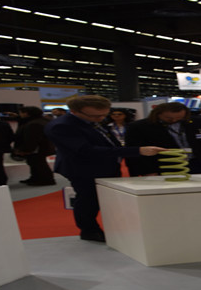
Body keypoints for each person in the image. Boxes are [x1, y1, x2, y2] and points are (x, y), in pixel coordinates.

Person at [44, 95, 166, 242]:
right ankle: (89, 230)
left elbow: (107, 142)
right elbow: (86, 150)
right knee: (88, 200)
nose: (101, 118)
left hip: (107, 165)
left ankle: (113, 228)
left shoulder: (93, 120)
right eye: (95, 116)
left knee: (108, 199)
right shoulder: (62, 126)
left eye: (104, 114)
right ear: (74, 111)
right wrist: (137, 151)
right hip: (83, 169)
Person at [125, 102, 201, 176]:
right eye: (168, 118)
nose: (174, 120)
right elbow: (135, 150)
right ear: (158, 114)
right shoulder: (139, 127)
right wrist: (146, 171)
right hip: (162, 167)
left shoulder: (200, 123)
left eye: (179, 118)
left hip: (199, 165)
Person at [13, 106, 56, 186]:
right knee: (35, 163)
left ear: (26, 113)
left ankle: (45, 180)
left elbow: (32, 138)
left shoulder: (34, 124)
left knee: (38, 164)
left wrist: (26, 149)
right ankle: (36, 178)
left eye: (21, 113)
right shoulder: (42, 121)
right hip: (41, 147)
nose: (20, 114)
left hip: (37, 148)